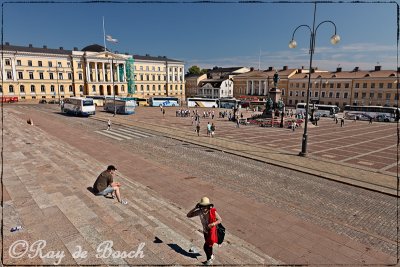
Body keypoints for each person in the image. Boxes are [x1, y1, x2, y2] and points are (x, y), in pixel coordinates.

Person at [187, 197, 222, 266]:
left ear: (208, 206)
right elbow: (188, 215)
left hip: (211, 232)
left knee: (206, 247)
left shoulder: (212, 211)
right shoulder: (200, 211)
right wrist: (195, 208)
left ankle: (209, 260)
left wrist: (213, 224)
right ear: (200, 206)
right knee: (209, 245)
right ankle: (211, 255)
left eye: (205, 206)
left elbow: (220, 219)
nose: (204, 208)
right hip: (205, 232)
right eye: (202, 206)